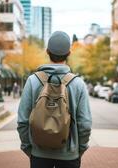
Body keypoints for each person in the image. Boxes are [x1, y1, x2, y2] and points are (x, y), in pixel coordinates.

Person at [17, 31, 92, 168]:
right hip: (69, 154)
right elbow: (85, 124)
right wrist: (79, 149)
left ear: (47, 51)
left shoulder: (33, 81)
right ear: (69, 53)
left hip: (39, 154)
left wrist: (29, 148)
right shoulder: (78, 84)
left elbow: (22, 120)